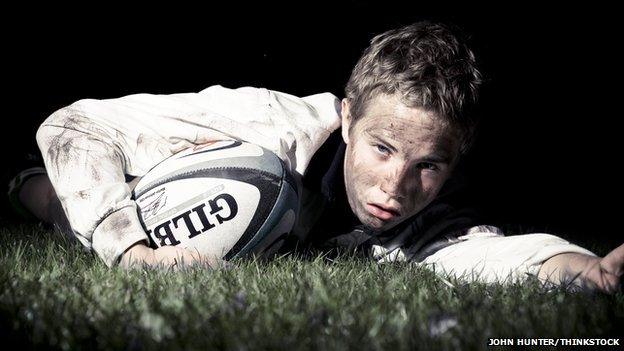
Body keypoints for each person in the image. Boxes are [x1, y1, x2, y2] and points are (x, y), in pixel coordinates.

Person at [9, 22, 623, 293]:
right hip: (146, 182)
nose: (397, 185)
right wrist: (133, 253)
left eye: (427, 165)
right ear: (349, 116)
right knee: (57, 207)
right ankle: (23, 187)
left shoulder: (424, 220)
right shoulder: (264, 123)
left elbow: (496, 257)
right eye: (382, 149)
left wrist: (589, 270)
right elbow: (74, 124)